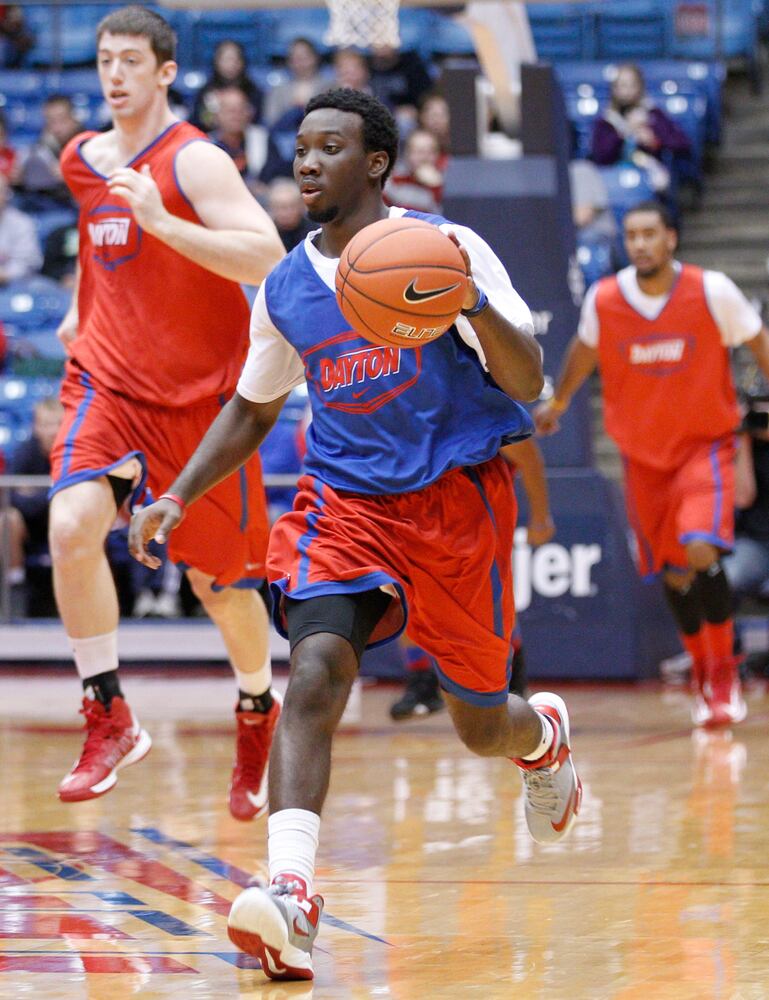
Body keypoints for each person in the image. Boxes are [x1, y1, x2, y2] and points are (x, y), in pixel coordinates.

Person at [129, 87, 582, 981]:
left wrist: (467, 303)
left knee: (480, 725)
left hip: (455, 500)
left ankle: (542, 742)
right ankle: (291, 896)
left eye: (327, 147)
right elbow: (253, 411)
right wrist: (176, 495)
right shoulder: (286, 287)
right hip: (344, 503)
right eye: (299, 147)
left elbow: (528, 379)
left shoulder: (445, 246)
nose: (304, 162)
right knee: (314, 671)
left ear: (373, 163)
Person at [48, 6, 286, 816]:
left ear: (165, 71)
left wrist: (159, 219)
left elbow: (267, 256)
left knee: (223, 590)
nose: (113, 75)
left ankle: (257, 707)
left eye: (129, 61)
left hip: (202, 403)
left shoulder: (197, 163)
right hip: (107, 382)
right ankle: (107, 712)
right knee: (72, 526)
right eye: (104, 60)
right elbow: (95, 236)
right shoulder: (81, 158)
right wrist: (82, 307)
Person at [535, 200, 769, 729]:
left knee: (699, 545)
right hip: (642, 458)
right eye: (631, 235)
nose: (639, 243)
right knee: (675, 573)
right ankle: (704, 673)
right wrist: (561, 402)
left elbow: (757, 339)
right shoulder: (606, 298)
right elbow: (584, 351)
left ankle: (723, 673)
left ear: (671, 239)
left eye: (649, 234)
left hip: (704, 448)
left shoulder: (712, 291)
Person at [390, 436, 556, 719]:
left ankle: (512, 682)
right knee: (403, 594)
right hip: (412, 510)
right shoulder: (398, 408)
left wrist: (541, 517)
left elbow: (529, 457)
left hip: (474, 512)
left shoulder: (478, 403)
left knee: (489, 603)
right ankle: (421, 684)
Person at [0, 397, 63, 615]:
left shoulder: (74, 454)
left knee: (88, 514)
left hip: (65, 521)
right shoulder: (24, 452)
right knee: (8, 519)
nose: (52, 431)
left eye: (57, 424)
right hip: (32, 526)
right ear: (36, 427)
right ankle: (14, 584)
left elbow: (79, 495)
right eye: (46, 424)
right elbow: (11, 497)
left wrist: (35, 494)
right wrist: (52, 493)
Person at [589, 63, 691, 192]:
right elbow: (601, 158)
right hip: (612, 181)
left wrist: (654, 141)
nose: (627, 91)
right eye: (622, 85)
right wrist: (623, 133)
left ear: (640, 87)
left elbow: (682, 144)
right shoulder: (605, 121)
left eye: (632, 85)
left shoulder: (654, 115)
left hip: (649, 180)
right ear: (614, 89)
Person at [723, 395, 769, 604]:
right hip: (755, 544)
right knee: (725, 578)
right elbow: (742, 498)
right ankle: (723, 636)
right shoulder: (746, 447)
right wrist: (743, 437)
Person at [13, 94, 81, 211]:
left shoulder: (87, 144)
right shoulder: (43, 144)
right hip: (46, 200)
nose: (57, 128)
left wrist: (68, 173)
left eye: (62, 120)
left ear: (73, 119)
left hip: (75, 205)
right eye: (51, 121)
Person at [191, 38, 263, 132]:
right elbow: (199, 121)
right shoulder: (206, 91)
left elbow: (257, 121)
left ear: (242, 62)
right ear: (216, 61)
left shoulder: (253, 91)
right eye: (226, 59)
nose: (231, 64)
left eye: (235, 59)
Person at [264, 37, 328, 127]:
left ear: (315, 58)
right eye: (294, 57)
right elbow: (271, 120)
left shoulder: (330, 86)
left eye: (303, 57)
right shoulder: (279, 90)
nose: (299, 61)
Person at [384, 127, 444, 214]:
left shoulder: (447, 178)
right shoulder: (393, 181)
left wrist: (436, 186)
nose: (424, 157)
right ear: (407, 154)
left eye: (430, 152)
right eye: (419, 152)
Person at [0, 172, 43, 284]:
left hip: (13, 285)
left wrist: (5, 274)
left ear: (6, 195)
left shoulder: (21, 222)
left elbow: (29, 263)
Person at [267, 178, 313, 252]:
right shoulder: (267, 233)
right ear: (272, 208)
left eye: (292, 206)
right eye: (281, 207)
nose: (286, 213)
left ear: (301, 206)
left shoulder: (314, 234)